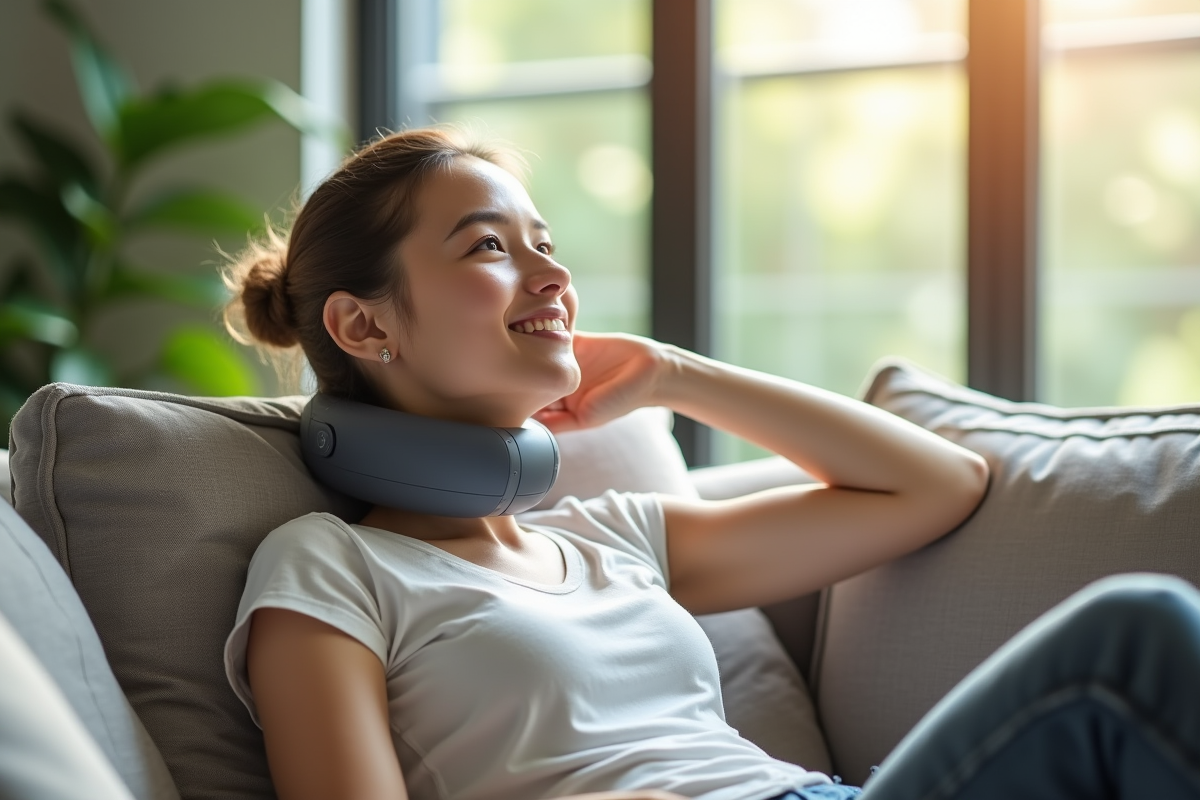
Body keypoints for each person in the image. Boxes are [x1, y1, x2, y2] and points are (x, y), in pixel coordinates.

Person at [220, 127, 1200, 800]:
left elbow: (940, 484)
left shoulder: (612, 535)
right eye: (489, 247)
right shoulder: (331, 568)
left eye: (547, 244)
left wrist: (672, 373)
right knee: (1136, 639)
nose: (554, 277)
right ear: (364, 322)